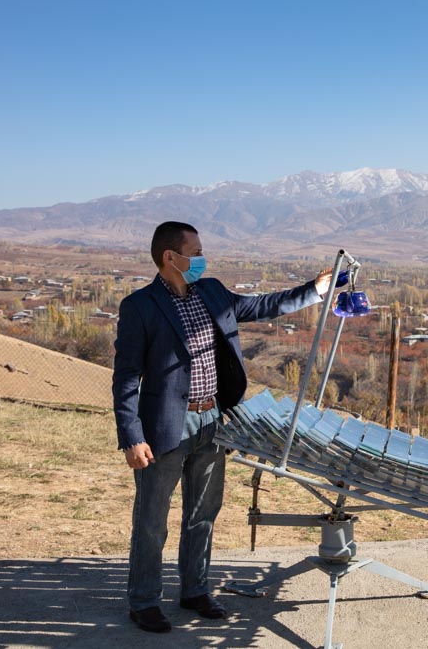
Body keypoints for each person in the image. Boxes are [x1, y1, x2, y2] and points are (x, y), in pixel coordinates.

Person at [112, 221, 332, 633]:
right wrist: (132, 435)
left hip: (213, 420)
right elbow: (126, 377)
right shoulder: (139, 306)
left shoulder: (211, 291)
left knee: (203, 513)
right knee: (151, 520)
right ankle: (143, 602)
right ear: (170, 258)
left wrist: (314, 290)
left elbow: (262, 305)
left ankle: (194, 591)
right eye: (194, 251)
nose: (202, 257)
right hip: (164, 428)